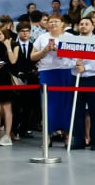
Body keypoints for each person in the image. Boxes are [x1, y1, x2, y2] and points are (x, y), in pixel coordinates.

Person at [31, 14, 73, 145]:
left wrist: (59, 50)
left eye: (56, 21)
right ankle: (47, 135)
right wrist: (45, 51)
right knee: (48, 105)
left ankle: (67, 134)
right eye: (51, 21)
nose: (53, 24)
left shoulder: (70, 37)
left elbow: (76, 54)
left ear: (62, 24)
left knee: (66, 104)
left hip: (65, 71)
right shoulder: (42, 37)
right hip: (47, 72)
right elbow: (33, 56)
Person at [70, 14, 95, 150]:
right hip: (76, 79)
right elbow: (66, 58)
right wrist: (75, 63)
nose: (83, 26)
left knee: (94, 112)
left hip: (93, 79)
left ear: (92, 26)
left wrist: (86, 67)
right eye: (81, 24)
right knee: (77, 111)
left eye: (86, 24)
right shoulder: (72, 41)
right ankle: (78, 141)